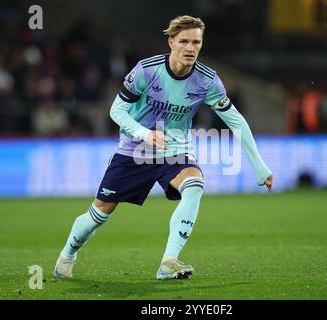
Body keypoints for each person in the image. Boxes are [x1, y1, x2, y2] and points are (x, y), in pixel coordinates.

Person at [54, 15, 273, 280]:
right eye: (184, 41)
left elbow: (236, 121)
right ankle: (67, 254)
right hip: (136, 150)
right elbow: (117, 110)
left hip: (175, 150)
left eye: (196, 42)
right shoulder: (147, 70)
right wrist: (144, 133)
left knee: (194, 185)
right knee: (100, 212)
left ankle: (169, 262)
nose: (190, 48)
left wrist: (259, 166)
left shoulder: (207, 80)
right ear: (171, 42)